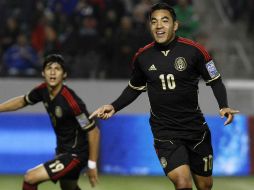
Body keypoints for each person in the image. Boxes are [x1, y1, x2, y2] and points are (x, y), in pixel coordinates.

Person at [89, 3, 239, 190]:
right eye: (154, 22)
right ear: (150, 26)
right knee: (183, 182)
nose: (159, 25)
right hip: (165, 132)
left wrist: (223, 105)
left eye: (164, 20)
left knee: (205, 186)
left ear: (175, 25)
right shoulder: (142, 57)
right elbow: (134, 88)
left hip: (195, 131)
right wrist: (114, 106)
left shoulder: (195, 51)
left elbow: (215, 80)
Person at [0, 54, 100, 190]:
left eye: (57, 69)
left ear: (64, 75)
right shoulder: (42, 91)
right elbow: (22, 101)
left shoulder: (71, 102)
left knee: (30, 177)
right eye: (49, 68)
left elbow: (93, 131)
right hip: (63, 151)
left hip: (75, 154)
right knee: (68, 188)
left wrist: (92, 164)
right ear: (43, 73)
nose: (52, 72)